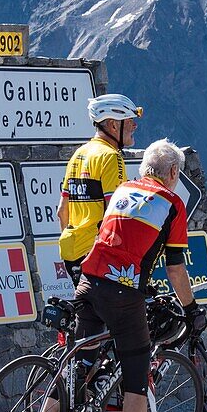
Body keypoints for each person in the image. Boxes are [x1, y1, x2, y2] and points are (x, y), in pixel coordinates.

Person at [31, 139, 200, 412]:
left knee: (79, 361)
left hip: (88, 282)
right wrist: (191, 309)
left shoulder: (123, 190)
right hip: (123, 293)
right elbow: (175, 269)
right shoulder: (171, 203)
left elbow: (120, 238)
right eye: (177, 174)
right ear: (172, 173)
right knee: (137, 375)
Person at [57, 94, 142, 285]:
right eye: (129, 121)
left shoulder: (80, 153)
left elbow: (62, 211)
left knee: (88, 313)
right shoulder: (111, 156)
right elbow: (116, 213)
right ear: (113, 125)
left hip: (72, 252)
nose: (134, 126)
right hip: (98, 255)